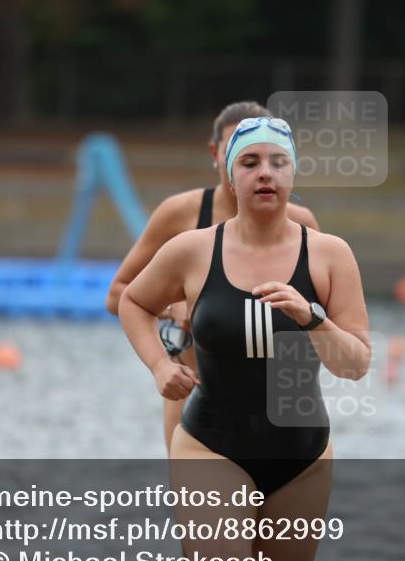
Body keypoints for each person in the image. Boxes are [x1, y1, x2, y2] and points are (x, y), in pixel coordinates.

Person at [119, 117, 371, 561]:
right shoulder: (192, 249)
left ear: (293, 175)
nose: (265, 174)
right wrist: (157, 364)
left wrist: (311, 316)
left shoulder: (329, 254)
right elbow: (132, 301)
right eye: (250, 163)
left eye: (278, 162)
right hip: (212, 442)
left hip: (301, 456)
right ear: (229, 177)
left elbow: (356, 364)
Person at [104, 101, 320, 452]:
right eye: (242, 150)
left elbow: (331, 320)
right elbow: (119, 295)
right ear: (218, 152)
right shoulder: (180, 214)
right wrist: (174, 310)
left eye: (270, 155)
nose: (258, 165)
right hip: (197, 394)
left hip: (282, 406)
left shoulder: (303, 223)